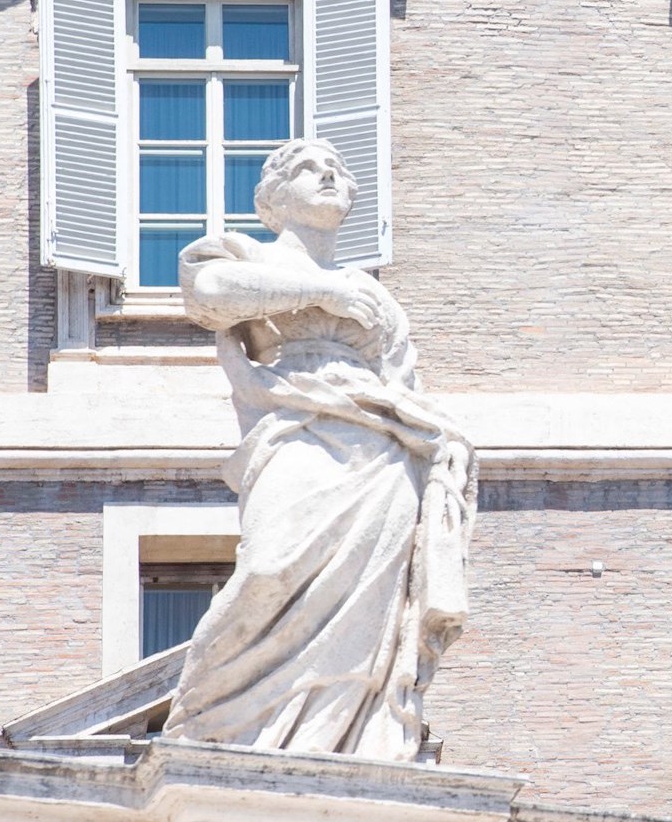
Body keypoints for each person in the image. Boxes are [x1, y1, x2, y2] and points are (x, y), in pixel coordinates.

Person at [163, 138, 476, 762]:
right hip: (295, 424)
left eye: (337, 167)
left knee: (369, 606)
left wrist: (443, 444)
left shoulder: (376, 294)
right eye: (308, 167)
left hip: (382, 450)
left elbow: (401, 382)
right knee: (269, 567)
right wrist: (318, 295)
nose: (328, 173)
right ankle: (216, 726)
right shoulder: (248, 253)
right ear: (274, 197)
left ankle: (358, 736)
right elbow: (211, 292)